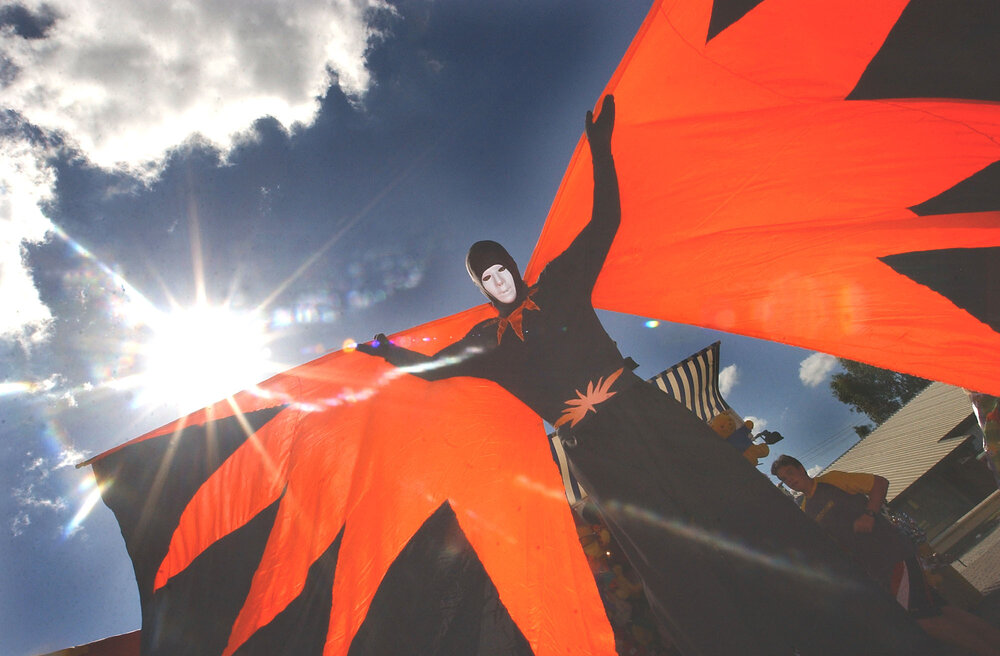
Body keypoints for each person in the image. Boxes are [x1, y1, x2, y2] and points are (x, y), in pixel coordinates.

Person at [359, 95, 936, 655]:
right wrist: (387, 350)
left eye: (500, 265)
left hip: (644, 411)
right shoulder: (489, 344)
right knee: (671, 564)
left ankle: (852, 630)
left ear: (512, 264)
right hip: (596, 450)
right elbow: (432, 370)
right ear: (482, 288)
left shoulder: (560, 282)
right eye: (485, 276)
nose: (498, 278)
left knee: (734, 504)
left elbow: (604, 220)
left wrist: (601, 149)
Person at [773, 454, 1000, 656]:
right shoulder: (807, 510)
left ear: (802, 469)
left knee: (924, 621)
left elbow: (879, 483)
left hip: (892, 554)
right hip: (877, 569)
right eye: (784, 479)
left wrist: (870, 514)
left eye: (791, 472)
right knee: (940, 611)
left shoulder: (832, 480)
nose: (790, 479)